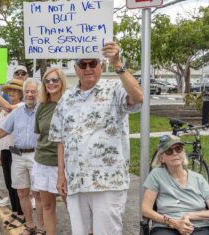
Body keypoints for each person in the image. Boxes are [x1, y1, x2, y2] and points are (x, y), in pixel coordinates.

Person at [48, 42, 143, 235]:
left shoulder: (115, 88)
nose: (88, 68)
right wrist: (61, 175)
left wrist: (118, 63)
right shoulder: (66, 98)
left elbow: (138, 98)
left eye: (93, 63)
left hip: (108, 181)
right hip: (76, 181)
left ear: (101, 66)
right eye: (83, 65)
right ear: (76, 69)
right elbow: (60, 139)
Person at [0, 78, 44, 235]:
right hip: (17, 155)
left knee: (38, 194)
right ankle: (30, 225)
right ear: (24, 93)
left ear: (39, 93)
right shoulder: (17, 113)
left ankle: (42, 228)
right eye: (27, 91)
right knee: (22, 193)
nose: (30, 94)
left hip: (37, 156)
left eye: (33, 92)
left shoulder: (43, 110)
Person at [142, 135, 209, 235]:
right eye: (169, 151)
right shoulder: (156, 175)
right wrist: (173, 222)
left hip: (199, 227)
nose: (175, 153)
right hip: (166, 227)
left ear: (183, 153)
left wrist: (189, 215)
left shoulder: (198, 178)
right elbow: (146, 209)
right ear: (162, 158)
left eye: (178, 149)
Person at [32, 68, 67, 235]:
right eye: (47, 81)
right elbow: (41, 133)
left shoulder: (69, 103)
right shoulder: (42, 106)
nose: (51, 83)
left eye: (55, 80)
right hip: (42, 162)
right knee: (47, 205)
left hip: (65, 164)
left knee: (73, 207)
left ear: (62, 81)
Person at [0, 79, 25, 229]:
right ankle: (15, 211)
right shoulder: (3, 111)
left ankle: (22, 214)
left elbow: (9, 108)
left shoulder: (20, 106)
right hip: (5, 149)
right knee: (9, 184)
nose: (12, 93)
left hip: (16, 150)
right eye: (9, 90)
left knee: (18, 184)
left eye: (15, 90)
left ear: (21, 93)